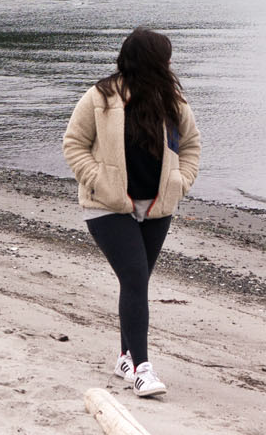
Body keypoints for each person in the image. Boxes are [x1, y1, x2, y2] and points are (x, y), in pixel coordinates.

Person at [63, 26, 201, 397]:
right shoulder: (100, 97)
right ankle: (142, 369)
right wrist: (97, 180)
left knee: (134, 283)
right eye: (165, 57)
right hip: (107, 206)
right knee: (137, 279)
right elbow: (74, 143)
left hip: (156, 207)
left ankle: (124, 357)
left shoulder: (172, 101)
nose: (169, 64)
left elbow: (190, 146)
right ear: (149, 59)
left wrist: (179, 181)